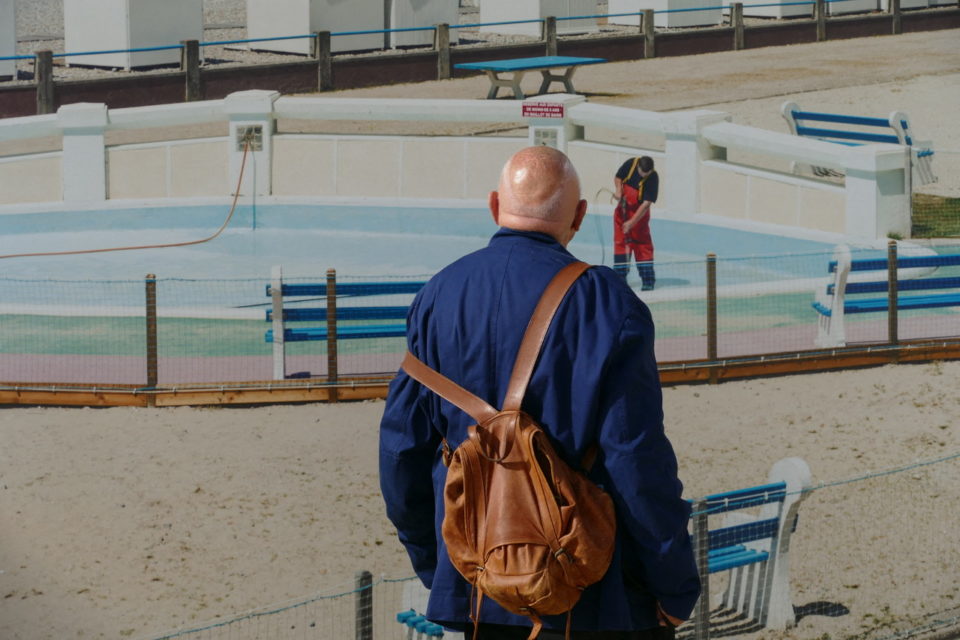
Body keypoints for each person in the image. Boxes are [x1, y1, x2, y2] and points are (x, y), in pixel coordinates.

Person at [379, 147, 700, 640]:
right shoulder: (610, 304)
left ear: (493, 206)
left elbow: (401, 454)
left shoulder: (436, 296)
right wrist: (673, 587)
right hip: (594, 593)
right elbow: (637, 462)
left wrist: (445, 565)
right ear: (577, 216)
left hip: (480, 586)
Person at [613, 156, 658, 291]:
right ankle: (620, 281)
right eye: (642, 172)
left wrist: (632, 223)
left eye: (647, 173)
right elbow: (618, 177)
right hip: (621, 214)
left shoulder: (653, 178)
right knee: (621, 246)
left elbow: (646, 204)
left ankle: (648, 281)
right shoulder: (631, 164)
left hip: (639, 219)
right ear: (638, 167)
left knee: (643, 248)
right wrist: (618, 190)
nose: (644, 175)